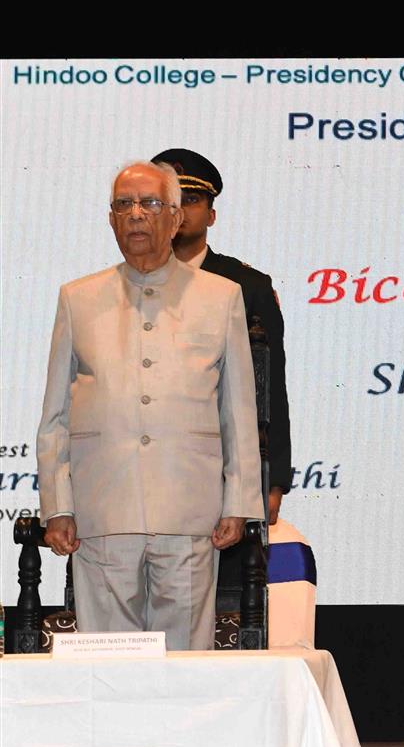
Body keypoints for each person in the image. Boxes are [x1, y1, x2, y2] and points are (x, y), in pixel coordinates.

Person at [37, 161, 263, 650]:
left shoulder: (222, 296)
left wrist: (239, 501)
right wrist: (57, 506)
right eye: (124, 204)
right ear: (111, 219)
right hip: (102, 509)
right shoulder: (78, 298)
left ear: (176, 218)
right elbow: (54, 414)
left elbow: (238, 410)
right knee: (108, 661)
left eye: (150, 203)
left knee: (184, 658)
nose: (136, 214)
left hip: (189, 509)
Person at [151, 148, 291, 524]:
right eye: (169, 201)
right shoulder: (119, 285)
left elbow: (270, 384)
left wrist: (274, 478)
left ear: (211, 214)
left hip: (222, 470)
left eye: (191, 200)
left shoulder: (246, 285)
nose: (180, 210)